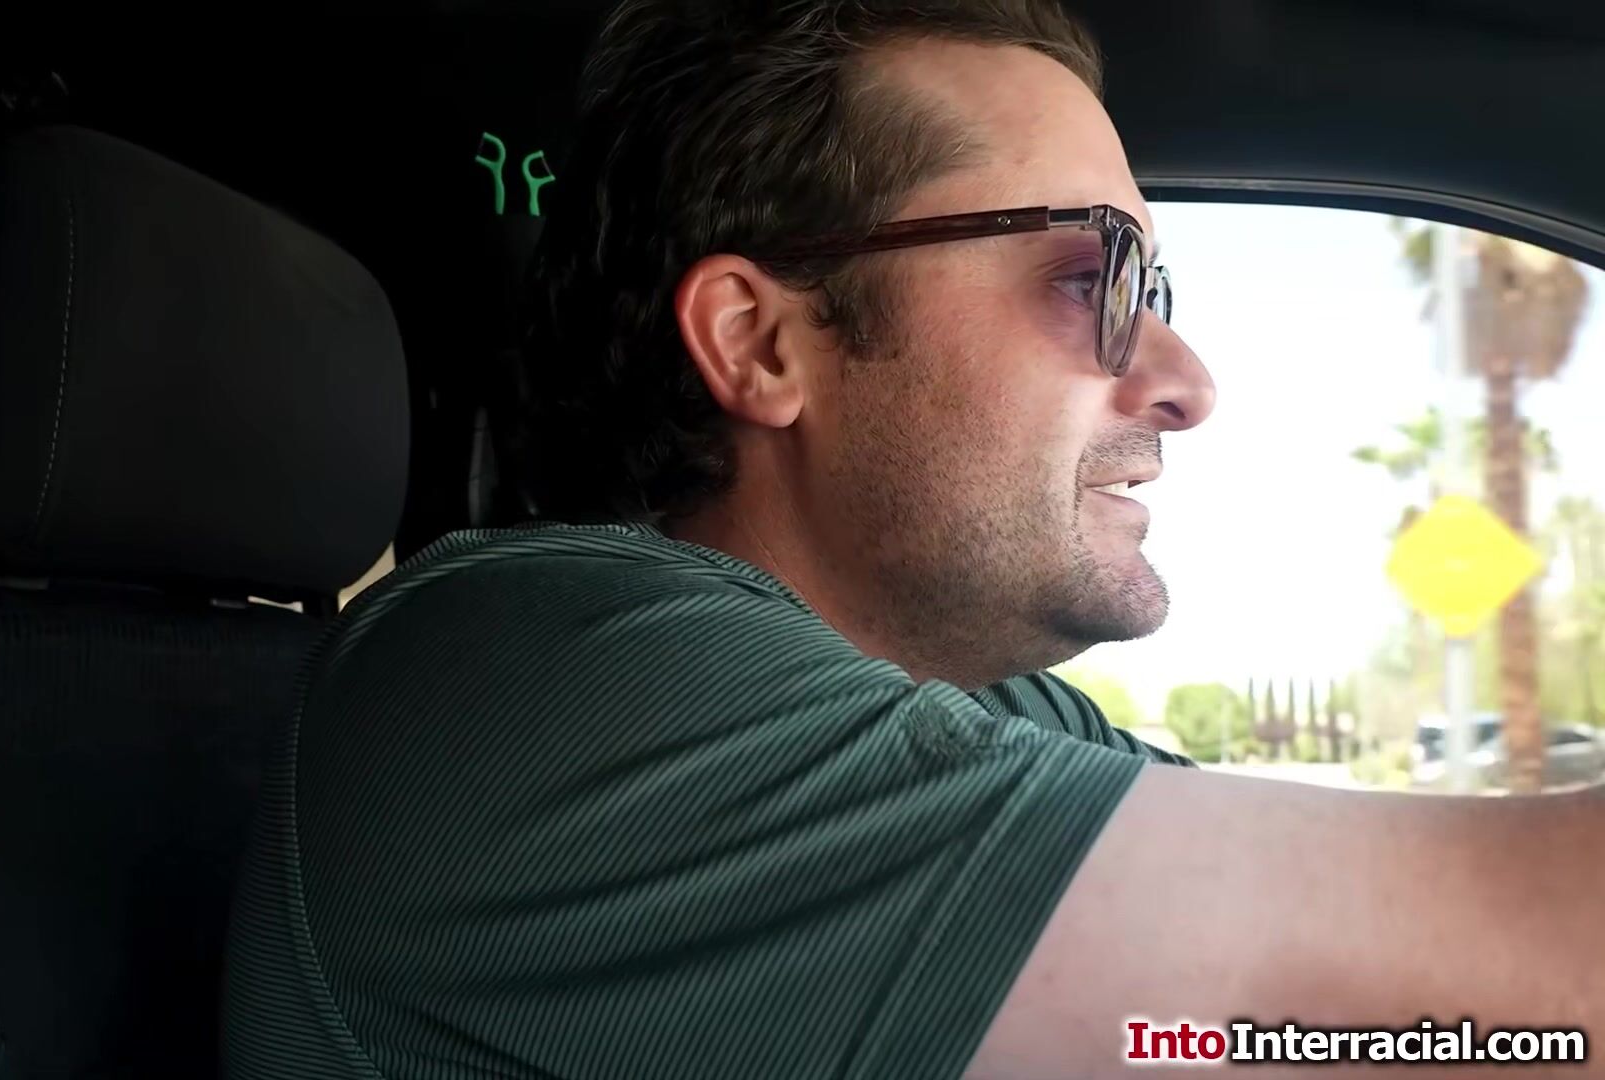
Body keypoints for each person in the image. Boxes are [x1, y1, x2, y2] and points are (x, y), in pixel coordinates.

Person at [295, 2, 1604, 1076]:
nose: (1186, 380)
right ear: (761, 342)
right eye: (1093, 277)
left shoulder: (981, 704)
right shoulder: (545, 683)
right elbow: (1529, 1001)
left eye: (1156, 287)